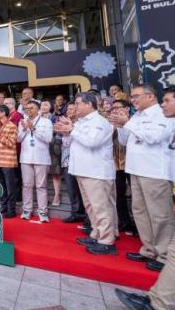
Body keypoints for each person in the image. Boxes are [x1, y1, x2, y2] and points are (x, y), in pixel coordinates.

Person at [115, 85, 175, 310]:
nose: (132, 100)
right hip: (136, 169)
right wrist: (123, 126)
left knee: (160, 215)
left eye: (135, 96)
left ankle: (163, 255)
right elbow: (125, 142)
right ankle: (149, 248)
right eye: (131, 97)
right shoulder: (138, 116)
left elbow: (154, 138)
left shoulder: (163, 116)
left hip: (156, 171)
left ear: (149, 96)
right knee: (141, 212)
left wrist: (129, 122)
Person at [55, 92, 117, 255]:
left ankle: (107, 241)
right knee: (91, 207)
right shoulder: (80, 122)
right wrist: (66, 132)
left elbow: (92, 142)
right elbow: (71, 143)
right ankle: (96, 234)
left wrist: (72, 130)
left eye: (78, 103)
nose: (75, 107)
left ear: (89, 104)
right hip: (82, 170)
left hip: (96, 172)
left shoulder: (100, 121)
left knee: (101, 207)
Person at [18, 100, 53, 222]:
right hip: (26, 157)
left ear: (38, 110)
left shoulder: (46, 121)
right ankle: (27, 210)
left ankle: (43, 212)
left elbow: (48, 138)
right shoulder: (21, 122)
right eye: (27, 108)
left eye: (31, 108)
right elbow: (18, 139)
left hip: (41, 158)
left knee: (41, 185)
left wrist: (34, 129)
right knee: (27, 185)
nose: (28, 110)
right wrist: (23, 129)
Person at [111, 99, 135, 233]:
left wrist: (123, 124)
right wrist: (113, 127)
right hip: (116, 163)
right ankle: (124, 222)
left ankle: (138, 225)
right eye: (112, 108)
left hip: (132, 164)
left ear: (126, 109)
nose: (114, 110)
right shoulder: (111, 124)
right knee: (118, 195)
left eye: (117, 107)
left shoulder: (134, 122)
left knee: (136, 196)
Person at [60, 103, 86, 223]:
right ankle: (76, 212)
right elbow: (65, 143)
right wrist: (65, 133)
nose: (69, 111)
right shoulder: (65, 124)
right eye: (68, 109)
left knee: (84, 190)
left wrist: (71, 130)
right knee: (71, 189)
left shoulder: (82, 124)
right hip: (67, 160)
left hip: (81, 161)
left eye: (72, 109)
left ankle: (87, 216)